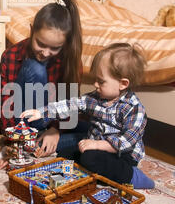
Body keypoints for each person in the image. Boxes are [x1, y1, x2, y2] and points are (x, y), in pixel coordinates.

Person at [21, 43, 155, 189]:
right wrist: (42, 112)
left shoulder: (134, 109)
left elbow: (126, 142)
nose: (95, 84)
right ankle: (71, 176)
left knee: (89, 158)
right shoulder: (96, 98)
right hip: (95, 145)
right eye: (95, 79)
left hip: (122, 156)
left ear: (122, 84)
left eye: (101, 81)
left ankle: (133, 177)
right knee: (66, 154)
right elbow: (72, 104)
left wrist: (97, 145)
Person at [0, 0, 86, 162]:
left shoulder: (71, 60)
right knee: (36, 67)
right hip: (22, 125)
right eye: (41, 43)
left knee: (97, 131)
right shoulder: (11, 55)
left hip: (50, 122)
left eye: (55, 48)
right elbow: (4, 104)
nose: (45, 53)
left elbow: (71, 107)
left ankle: (34, 146)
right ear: (31, 31)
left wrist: (55, 130)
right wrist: (13, 139)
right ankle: (24, 144)